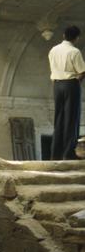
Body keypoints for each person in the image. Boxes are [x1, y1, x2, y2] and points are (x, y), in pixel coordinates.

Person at [48, 26, 84, 160]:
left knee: (59, 119)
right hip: (70, 85)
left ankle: (55, 155)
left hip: (57, 85)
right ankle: (68, 154)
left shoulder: (53, 50)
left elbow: (52, 69)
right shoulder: (75, 51)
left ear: (63, 35)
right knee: (71, 119)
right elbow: (82, 71)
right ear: (77, 38)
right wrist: (76, 82)